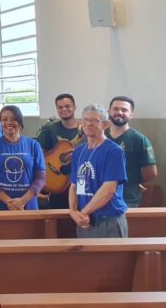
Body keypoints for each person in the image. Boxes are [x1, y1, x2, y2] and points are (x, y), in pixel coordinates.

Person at [69, 104, 128, 238]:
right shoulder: (78, 151)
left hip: (107, 219)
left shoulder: (114, 151)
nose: (88, 124)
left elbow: (108, 189)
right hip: (84, 220)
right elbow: (74, 185)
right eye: (85, 120)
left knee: (113, 259)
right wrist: (73, 211)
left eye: (95, 120)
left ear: (105, 124)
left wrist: (83, 212)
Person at [0, 106, 46, 211]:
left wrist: (22, 201)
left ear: (20, 122)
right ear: (0, 123)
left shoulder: (34, 145)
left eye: (13, 119)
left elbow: (40, 178)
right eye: (4, 119)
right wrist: (10, 202)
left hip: (28, 206)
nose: (9, 122)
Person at [105, 96, 157, 208]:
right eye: (115, 109)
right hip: (98, 196)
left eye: (124, 110)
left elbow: (151, 172)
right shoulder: (99, 136)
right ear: (109, 111)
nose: (119, 112)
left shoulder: (139, 140)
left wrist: (133, 181)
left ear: (131, 115)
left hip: (126, 199)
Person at [36, 93, 83, 209]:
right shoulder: (51, 128)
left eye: (67, 106)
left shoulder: (85, 129)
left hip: (80, 180)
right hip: (57, 180)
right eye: (60, 107)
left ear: (75, 107)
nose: (64, 109)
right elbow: (39, 151)